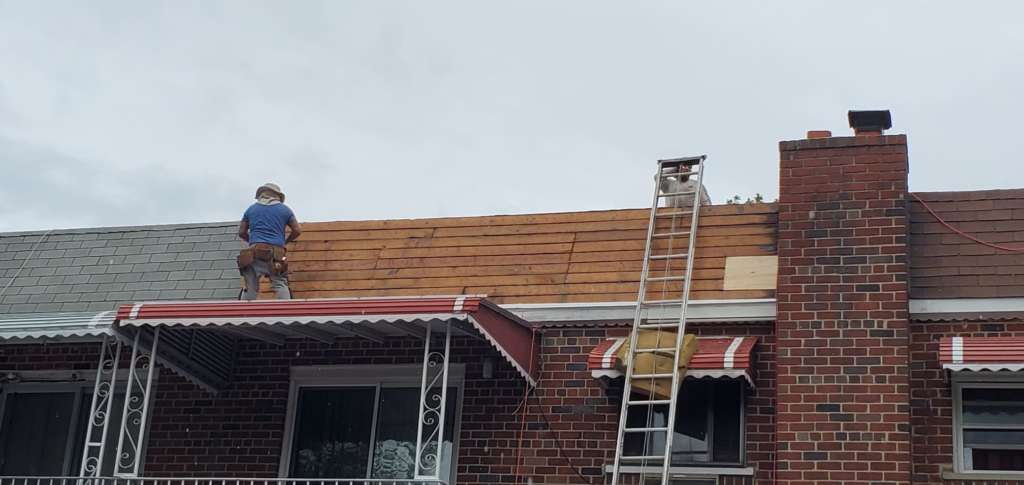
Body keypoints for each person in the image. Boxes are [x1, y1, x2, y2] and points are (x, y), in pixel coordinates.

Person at [237, 183, 302, 300]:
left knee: (250, 286)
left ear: (261, 194)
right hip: (276, 254)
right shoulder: (285, 210)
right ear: (277, 196)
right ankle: (287, 309)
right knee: (280, 283)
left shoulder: (251, 209)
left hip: (253, 253)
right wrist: (285, 242)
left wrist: (253, 242)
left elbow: (241, 232)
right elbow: (297, 230)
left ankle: (244, 310)